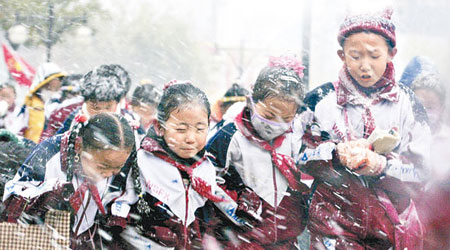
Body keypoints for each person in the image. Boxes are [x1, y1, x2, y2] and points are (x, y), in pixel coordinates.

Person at [300, 10, 431, 249]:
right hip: (333, 225)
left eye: (374, 56)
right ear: (341, 55)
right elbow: (299, 157)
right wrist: (335, 155)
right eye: (355, 56)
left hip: (390, 229)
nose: (365, 66)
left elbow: (422, 172)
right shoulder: (321, 100)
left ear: (392, 54)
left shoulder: (408, 103)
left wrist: (382, 166)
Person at [206, 55, 309, 249]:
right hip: (241, 236)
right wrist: (236, 200)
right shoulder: (230, 136)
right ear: (250, 101)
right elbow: (205, 176)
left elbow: (305, 175)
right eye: (269, 116)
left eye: (286, 118)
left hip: (284, 235)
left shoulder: (294, 139)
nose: (276, 125)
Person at [1, 113, 137, 249]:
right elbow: (13, 198)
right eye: (103, 166)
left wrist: (115, 217)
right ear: (78, 146)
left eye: (117, 168)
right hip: (42, 239)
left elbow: (122, 196)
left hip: (85, 238)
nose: (108, 174)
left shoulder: (121, 161)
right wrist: (49, 193)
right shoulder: (50, 152)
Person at [130, 81, 224, 249]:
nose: (191, 138)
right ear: (159, 127)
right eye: (181, 129)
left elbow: (206, 222)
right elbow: (123, 220)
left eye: (200, 129)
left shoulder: (206, 168)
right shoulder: (142, 163)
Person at [410, 74, 450, 249]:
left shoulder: (446, 141)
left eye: (430, 107)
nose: (424, 112)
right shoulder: (403, 139)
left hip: (440, 230)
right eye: (419, 106)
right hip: (411, 228)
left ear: (441, 108)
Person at [55, 64, 132, 136]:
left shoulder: (129, 121)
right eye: (95, 108)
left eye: (108, 107)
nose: (102, 113)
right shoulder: (72, 118)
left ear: (118, 102)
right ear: (85, 102)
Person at [21, 62, 66, 143]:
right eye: (58, 78)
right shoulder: (31, 103)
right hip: (29, 150)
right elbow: (18, 129)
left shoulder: (62, 103)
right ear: (47, 80)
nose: (60, 82)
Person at [40, 74, 84, 142]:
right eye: (72, 93)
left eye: (78, 94)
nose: (76, 97)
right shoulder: (59, 111)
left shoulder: (57, 111)